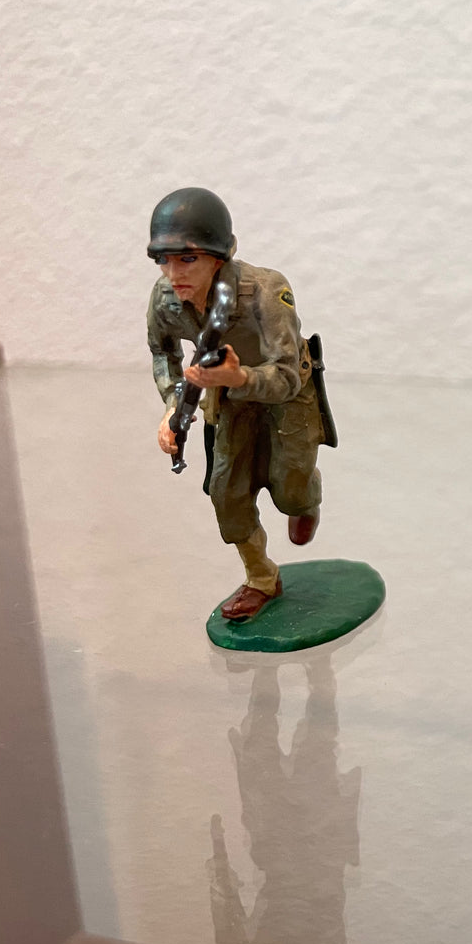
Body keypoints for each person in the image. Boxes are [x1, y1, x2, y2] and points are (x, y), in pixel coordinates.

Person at [146, 187, 327, 621]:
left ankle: (305, 498)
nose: (174, 272)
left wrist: (241, 376)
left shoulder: (265, 291)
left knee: (290, 485)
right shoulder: (166, 298)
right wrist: (173, 405)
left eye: (188, 258)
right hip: (227, 394)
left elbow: (285, 375)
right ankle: (262, 577)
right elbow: (163, 353)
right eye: (164, 259)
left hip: (286, 393)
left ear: (219, 257)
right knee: (226, 491)